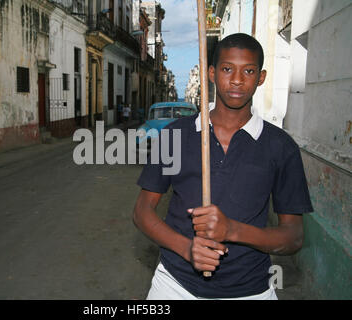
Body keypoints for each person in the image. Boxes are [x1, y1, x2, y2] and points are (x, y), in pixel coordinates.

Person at [133, 33, 313, 300]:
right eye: (227, 69)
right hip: (174, 285)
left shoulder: (281, 147)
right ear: (212, 73)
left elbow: (293, 237)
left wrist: (232, 230)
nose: (237, 79)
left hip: (251, 290)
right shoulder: (175, 135)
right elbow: (142, 212)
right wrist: (187, 249)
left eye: (248, 71)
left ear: (261, 78)